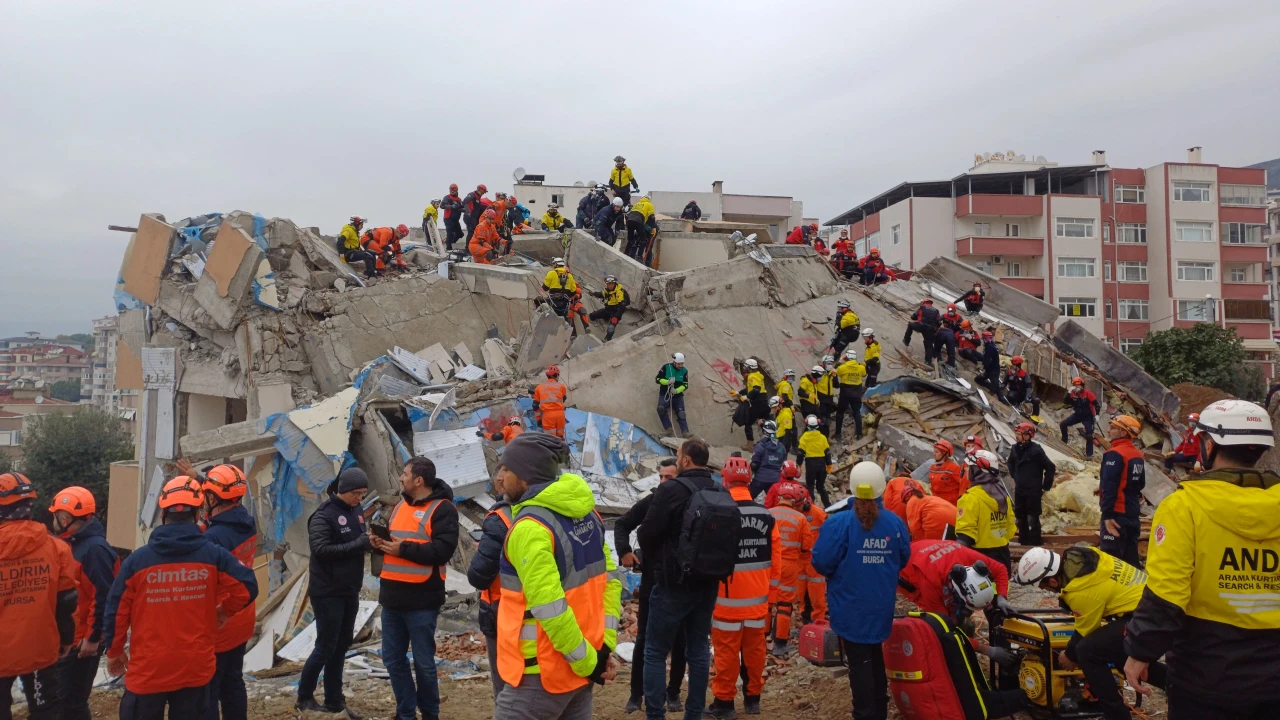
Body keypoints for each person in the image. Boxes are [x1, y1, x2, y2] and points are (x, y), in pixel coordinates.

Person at [1123, 399, 1280, 720]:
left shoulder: (1184, 507)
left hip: (1206, 675)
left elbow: (1167, 593)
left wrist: (1140, 652)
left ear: (1209, 444)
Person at [104, 476, 258, 719]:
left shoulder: (137, 562)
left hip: (148, 671)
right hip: (195, 669)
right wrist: (224, 611)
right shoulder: (213, 555)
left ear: (163, 515)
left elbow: (116, 611)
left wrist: (114, 651)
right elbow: (248, 586)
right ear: (197, 515)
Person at [494, 433, 621, 720]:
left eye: (506, 469)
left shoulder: (530, 527)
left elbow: (550, 608)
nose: (500, 477)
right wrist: (601, 651)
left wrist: (590, 662)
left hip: (540, 677)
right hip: (580, 669)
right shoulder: (589, 516)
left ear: (525, 477)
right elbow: (611, 584)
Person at [812, 462, 910, 720]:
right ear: (881, 489)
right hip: (880, 604)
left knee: (860, 662)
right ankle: (878, 708)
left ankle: (866, 714)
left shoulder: (839, 524)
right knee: (873, 653)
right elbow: (903, 558)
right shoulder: (895, 524)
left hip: (849, 607)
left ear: (853, 488)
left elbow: (821, 562)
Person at [1018, 547, 1159, 720]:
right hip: (1150, 603)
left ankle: (1115, 715)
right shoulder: (1083, 555)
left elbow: (1085, 631)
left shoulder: (1081, 591)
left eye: (1044, 586)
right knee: (1116, 651)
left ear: (1053, 581)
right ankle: (1178, 685)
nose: (1046, 591)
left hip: (1144, 616)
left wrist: (1068, 654)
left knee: (1087, 651)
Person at [637, 438, 722, 720]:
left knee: (655, 651)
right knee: (698, 650)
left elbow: (646, 533)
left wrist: (660, 562)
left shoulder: (672, 489)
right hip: (708, 583)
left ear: (686, 460)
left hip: (673, 584)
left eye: (677, 456)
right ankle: (694, 714)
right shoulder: (719, 489)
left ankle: (655, 715)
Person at [368, 458, 459, 720]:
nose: (400, 478)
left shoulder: (442, 510)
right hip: (392, 600)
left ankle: (430, 714)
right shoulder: (399, 507)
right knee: (393, 661)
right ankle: (405, 713)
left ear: (418, 480)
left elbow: (442, 551)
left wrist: (402, 549)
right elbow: (396, 543)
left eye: (405, 474)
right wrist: (380, 543)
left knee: (424, 665)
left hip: (422, 601)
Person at [0, 474, 79, 720]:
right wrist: (67, 638)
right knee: (45, 711)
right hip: (39, 648)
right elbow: (66, 600)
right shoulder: (56, 548)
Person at [709, 457, 780, 718]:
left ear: (725, 481)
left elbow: (710, 558)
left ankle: (724, 704)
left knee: (726, 653)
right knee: (755, 651)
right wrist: (771, 599)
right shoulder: (766, 516)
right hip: (758, 603)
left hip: (726, 603)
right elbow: (776, 561)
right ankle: (753, 699)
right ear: (749, 481)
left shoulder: (718, 514)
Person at [615, 459, 686, 715]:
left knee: (680, 640)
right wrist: (623, 551)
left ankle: (674, 693)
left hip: (679, 581)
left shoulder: (686, 500)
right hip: (651, 580)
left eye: (670, 477)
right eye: (661, 477)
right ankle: (636, 695)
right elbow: (623, 523)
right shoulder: (653, 501)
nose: (664, 482)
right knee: (644, 638)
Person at [297, 468, 371, 715]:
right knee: (325, 646)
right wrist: (357, 545)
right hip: (327, 591)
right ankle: (304, 696)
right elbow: (320, 549)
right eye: (355, 493)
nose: (359, 498)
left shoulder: (356, 512)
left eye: (362, 494)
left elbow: (358, 541)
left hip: (349, 589)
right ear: (343, 490)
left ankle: (334, 700)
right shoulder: (323, 516)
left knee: (341, 646)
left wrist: (371, 543)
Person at [48, 486, 118, 720]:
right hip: (71, 639)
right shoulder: (74, 544)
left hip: (82, 644)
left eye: (55, 516)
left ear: (65, 518)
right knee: (65, 703)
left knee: (71, 704)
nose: (53, 521)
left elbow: (105, 596)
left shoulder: (93, 550)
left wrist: (93, 638)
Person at [198, 465, 257, 720]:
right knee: (233, 682)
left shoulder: (214, 537)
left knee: (208, 691)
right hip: (242, 614)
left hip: (220, 617)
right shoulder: (245, 520)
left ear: (212, 498)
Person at [467, 466, 516, 701]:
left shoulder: (500, 519)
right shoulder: (556, 512)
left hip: (502, 606)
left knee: (505, 682)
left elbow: (478, 575)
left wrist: (483, 553)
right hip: (546, 609)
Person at [898, 539, 1011, 625]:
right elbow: (944, 626)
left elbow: (1000, 569)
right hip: (904, 566)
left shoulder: (967, 556)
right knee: (938, 625)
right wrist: (987, 650)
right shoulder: (930, 583)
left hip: (928, 551)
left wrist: (1002, 598)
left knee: (958, 618)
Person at [768, 482, 814, 656]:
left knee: (767, 602)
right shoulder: (800, 518)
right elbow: (806, 545)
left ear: (779, 496)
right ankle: (779, 643)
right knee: (785, 604)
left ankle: (762, 637)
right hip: (789, 565)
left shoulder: (769, 514)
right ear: (795, 500)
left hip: (770, 563)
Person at [1098, 415, 1145, 567]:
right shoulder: (1137, 455)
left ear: (1123, 433)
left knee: (1112, 562)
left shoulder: (1114, 454)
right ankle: (1135, 589)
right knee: (1131, 558)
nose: (1108, 430)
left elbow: (1110, 487)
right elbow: (1139, 483)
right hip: (1132, 513)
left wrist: (1107, 515)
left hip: (1115, 516)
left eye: (1112, 428)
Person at [955, 450, 1013, 572]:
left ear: (976, 471)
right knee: (1001, 588)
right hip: (1003, 555)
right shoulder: (1003, 496)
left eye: (969, 468)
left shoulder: (970, 498)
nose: (966, 470)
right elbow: (1011, 529)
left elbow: (965, 536)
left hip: (979, 560)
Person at [1007, 422, 1056, 546]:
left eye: (1019, 434)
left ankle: (1035, 543)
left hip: (1033, 491)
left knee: (1032, 518)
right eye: (1016, 433)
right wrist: (1015, 476)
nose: (1016, 436)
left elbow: (1050, 467)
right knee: (1020, 517)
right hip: (1020, 489)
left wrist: (1045, 486)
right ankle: (1023, 542)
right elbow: (1010, 464)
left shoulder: (1036, 451)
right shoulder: (1015, 449)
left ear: (1028, 435)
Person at [797, 488, 828, 625]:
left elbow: (829, 531)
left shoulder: (817, 513)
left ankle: (818, 619)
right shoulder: (794, 514)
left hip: (814, 558)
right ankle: (805, 615)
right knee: (801, 591)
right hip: (799, 558)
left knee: (816, 592)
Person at [542, 258, 591, 336]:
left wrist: (575, 297)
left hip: (558, 301)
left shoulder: (551, 273)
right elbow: (573, 291)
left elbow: (545, 288)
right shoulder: (570, 277)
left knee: (545, 307)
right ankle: (569, 334)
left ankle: (582, 329)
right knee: (566, 316)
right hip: (566, 302)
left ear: (556, 264)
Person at [795, 415, 832, 507]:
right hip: (821, 464)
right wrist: (829, 464)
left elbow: (800, 453)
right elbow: (827, 453)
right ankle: (828, 506)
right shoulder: (822, 437)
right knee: (821, 487)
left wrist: (798, 465)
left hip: (810, 464)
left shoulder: (804, 437)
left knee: (810, 486)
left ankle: (811, 506)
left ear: (807, 425)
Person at [1061, 377, 1100, 459]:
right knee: (1063, 424)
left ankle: (1089, 455)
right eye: (1075, 385)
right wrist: (1068, 392)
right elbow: (1065, 401)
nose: (1077, 387)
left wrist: (1097, 415)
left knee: (1089, 435)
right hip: (1077, 415)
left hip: (1088, 416)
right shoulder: (1073, 394)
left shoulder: (1088, 394)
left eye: (1079, 385)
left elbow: (1097, 405)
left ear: (1082, 386)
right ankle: (1064, 441)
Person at [750, 421, 787, 501]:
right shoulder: (781, 447)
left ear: (764, 431)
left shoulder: (760, 445)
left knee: (748, 497)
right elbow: (784, 463)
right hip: (775, 479)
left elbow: (754, 464)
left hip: (760, 478)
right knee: (774, 502)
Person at [833, 347, 866, 439]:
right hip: (856, 393)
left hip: (845, 394)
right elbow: (864, 374)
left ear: (846, 358)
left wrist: (840, 361)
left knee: (840, 413)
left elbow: (835, 372)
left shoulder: (843, 368)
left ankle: (838, 434)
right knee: (857, 413)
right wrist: (862, 365)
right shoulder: (860, 368)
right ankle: (859, 434)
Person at [655, 353, 690, 438]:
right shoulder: (666, 367)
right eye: (679, 364)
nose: (680, 365)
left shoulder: (684, 371)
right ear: (674, 362)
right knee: (661, 408)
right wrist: (667, 382)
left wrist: (676, 391)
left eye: (682, 364)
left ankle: (685, 432)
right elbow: (657, 379)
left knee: (681, 413)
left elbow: (685, 385)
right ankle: (668, 429)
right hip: (665, 393)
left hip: (677, 395)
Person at [735, 358, 768, 442]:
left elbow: (756, 389)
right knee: (763, 423)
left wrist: (747, 397)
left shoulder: (752, 376)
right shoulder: (758, 375)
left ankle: (750, 444)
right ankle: (768, 442)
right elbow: (750, 389)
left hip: (758, 403)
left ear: (750, 368)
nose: (744, 368)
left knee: (748, 422)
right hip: (764, 402)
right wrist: (738, 392)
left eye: (746, 367)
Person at [927, 440, 968, 506]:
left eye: (936, 452)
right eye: (934, 451)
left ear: (944, 454)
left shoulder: (953, 468)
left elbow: (963, 484)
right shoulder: (932, 468)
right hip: (936, 502)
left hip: (950, 505)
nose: (934, 454)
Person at [533, 365, 569, 439]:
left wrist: (538, 419)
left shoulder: (539, 388)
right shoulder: (561, 387)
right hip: (560, 415)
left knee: (551, 439)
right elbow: (564, 398)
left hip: (548, 416)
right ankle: (563, 449)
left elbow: (535, 405)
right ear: (556, 375)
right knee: (561, 437)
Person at [903, 298, 940, 364]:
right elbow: (939, 323)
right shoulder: (936, 311)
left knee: (910, 325)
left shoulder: (922, 307)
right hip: (931, 329)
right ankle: (928, 361)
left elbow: (913, 317)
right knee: (928, 344)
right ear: (931, 303)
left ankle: (906, 341)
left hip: (921, 326)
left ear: (924, 302)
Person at [625, 195, 659, 264]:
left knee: (632, 240)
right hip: (640, 224)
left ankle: (627, 254)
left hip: (631, 222)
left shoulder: (636, 204)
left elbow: (628, 215)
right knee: (643, 241)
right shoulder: (649, 205)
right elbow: (652, 216)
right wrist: (654, 228)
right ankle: (638, 257)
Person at [973, 331, 1005, 400]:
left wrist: (983, 367)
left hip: (994, 370)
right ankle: (991, 386)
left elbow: (988, 359)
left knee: (996, 386)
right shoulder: (991, 345)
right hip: (989, 370)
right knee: (978, 379)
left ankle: (1001, 398)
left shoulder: (990, 347)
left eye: (983, 338)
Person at [441, 184, 465, 250]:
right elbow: (442, 205)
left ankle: (451, 243)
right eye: (451, 190)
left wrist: (465, 210)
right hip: (448, 218)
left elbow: (462, 207)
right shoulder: (447, 197)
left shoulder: (459, 200)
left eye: (453, 190)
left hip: (455, 220)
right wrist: (451, 206)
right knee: (450, 233)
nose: (452, 191)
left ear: (456, 190)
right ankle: (448, 247)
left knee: (460, 234)